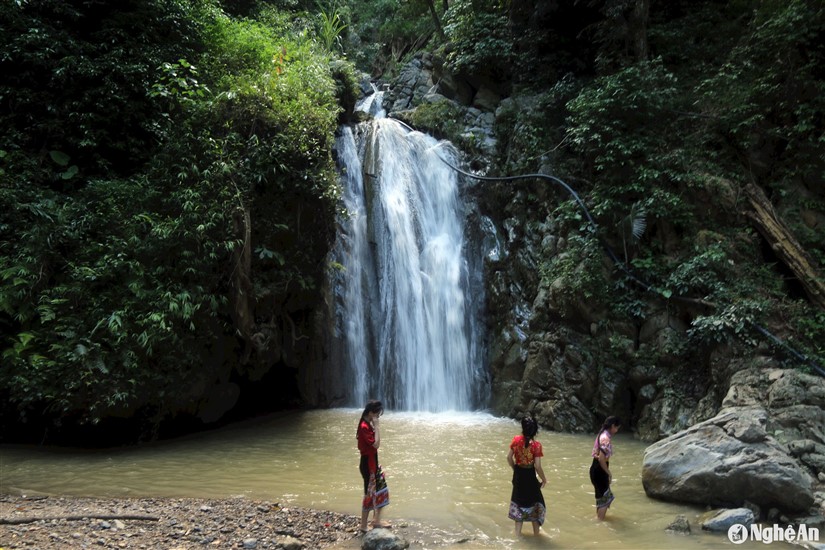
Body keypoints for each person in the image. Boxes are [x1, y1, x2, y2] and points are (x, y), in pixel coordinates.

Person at [507, 416, 547, 536]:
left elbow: (508, 458)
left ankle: (517, 535)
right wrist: (544, 479)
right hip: (530, 476)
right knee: (535, 502)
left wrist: (515, 469)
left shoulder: (516, 440)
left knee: (518, 501)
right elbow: (538, 466)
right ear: (535, 430)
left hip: (518, 474)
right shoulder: (536, 445)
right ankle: (536, 535)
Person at [357, 400, 391, 532]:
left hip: (373, 463)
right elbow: (376, 444)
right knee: (369, 494)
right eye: (377, 414)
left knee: (382, 488)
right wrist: (377, 426)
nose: (378, 417)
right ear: (370, 413)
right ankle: (364, 526)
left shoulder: (367, 424)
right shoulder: (364, 427)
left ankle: (376, 520)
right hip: (368, 465)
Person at [589, 416, 621, 520]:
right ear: (612, 426)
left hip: (595, 468)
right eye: (616, 428)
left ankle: (598, 519)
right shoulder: (605, 439)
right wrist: (608, 473)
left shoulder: (601, 435)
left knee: (601, 497)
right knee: (604, 499)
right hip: (600, 470)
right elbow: (602, 459)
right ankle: (599, 521)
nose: (616, 431)